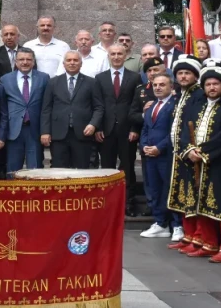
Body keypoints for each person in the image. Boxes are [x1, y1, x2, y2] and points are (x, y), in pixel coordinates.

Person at [176, 66, 221, 262]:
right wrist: (188, 150)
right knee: (200, 203)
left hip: (217, 163)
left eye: (215, 84)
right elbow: (185, 130)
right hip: (195, 162)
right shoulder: (197, 105)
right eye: (208, 84)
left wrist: (202, 153)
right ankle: (208, 243)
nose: (211, 87)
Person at [95, 44, 142, 208]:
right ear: (108, 56)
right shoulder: (100, 78)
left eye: (119, 54)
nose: (116, 57)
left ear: (125, 55)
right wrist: (98, 127)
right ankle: (108, 202)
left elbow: (137, 105)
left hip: (127, 130)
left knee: (128, 166)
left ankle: (128, 201)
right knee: (107, 166)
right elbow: (98, 104)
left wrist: (135, 128)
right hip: (106, 131)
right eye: (113, 54)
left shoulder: (135, 77)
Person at [166, 57, 205, 250]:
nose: (183, 76)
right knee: (184, 196)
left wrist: (189, 148)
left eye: (187, 73)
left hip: (190, 152)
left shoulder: (197, 95)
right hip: (179, 153)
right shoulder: (182, 94)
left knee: (193, 196)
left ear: (195, 76)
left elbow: (194, 125)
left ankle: (197, 236)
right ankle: (188, 235)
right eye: (180, 73)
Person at [39, 50, 102, 169]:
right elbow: (46, 109)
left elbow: (98, 107)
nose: (72, 63)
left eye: (75, 60)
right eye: (69, 60)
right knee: (59, 169)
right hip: (59, 134)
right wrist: (45, 131)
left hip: (83, 133)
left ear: (81, 63)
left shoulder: (91, 82)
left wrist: (93, 124)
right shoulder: (53, 82)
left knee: (82, 170)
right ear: (64, 64)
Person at [139, 72, 177, 238]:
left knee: (169, 189)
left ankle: (176, 225)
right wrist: (145, 146)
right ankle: (160, 222)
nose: (158, 87)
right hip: (150, 156)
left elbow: (174, 132)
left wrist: (159, 147)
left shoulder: (174, 106)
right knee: (154, 189)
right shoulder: (151, 106)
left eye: (162, 85)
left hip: (166, 155)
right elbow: (146, 129)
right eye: (155, 85)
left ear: (171, 87)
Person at [0, 48, 48, 172]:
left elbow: (47, 106)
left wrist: (46, 130)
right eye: (21, 59)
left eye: (28, 59)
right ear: (16, 62)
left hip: (35, 130)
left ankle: (35, 192)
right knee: (12, 169)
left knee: (35, 169)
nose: (25, 62)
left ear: (33, 61)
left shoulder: (44, 78)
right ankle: (13, 192)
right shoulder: (5, 79)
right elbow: (2, 107)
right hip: (13, 130)